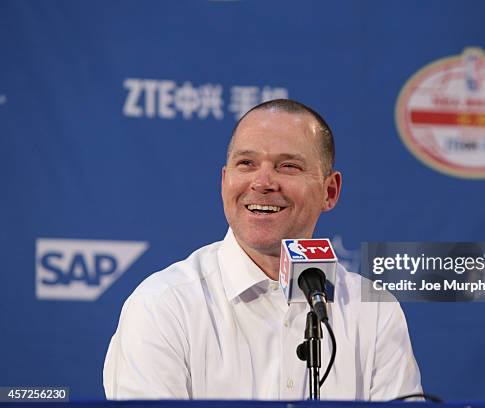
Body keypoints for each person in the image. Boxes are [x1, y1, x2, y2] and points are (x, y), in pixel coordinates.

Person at [103, 99, 422, 400]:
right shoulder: (164, 304)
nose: (263, 182)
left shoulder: (375, 311)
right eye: (247, 163)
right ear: (225, 181)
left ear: (330, 191)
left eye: (288, 166)